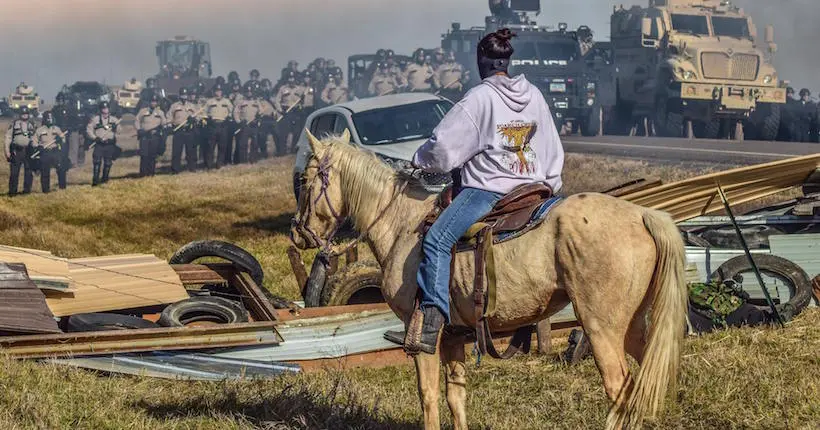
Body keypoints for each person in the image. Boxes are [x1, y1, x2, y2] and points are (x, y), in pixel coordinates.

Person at [398, 28, 565, 354]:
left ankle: (432, 321)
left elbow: (444, 149)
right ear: (507, 62)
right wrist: (550, 184)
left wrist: (420, 160)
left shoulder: (478, 98)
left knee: (436, 239)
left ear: (481, 63)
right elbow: (552, 146)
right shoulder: (534, 94)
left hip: (490, 191)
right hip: (534, 189)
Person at [85, 101, 121, 186]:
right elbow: (88, 130)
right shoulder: (95, 119)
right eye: (103, 108)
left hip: (109, 144)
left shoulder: (114, 120)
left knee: (108, 163)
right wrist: (94, 138)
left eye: (107, 108)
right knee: (97, 162)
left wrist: (116, 127)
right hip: (99, 144)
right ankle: (95, 181)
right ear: (101, 109)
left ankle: (105, 180)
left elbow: (120, 131)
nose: (105, 110)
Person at [32, 111, 67, 192]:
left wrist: (60, 139)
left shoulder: (57, 128)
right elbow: (34, 141)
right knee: (45, 171)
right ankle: (45, 190)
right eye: (48, 118)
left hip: (55, 151)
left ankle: (62, 187)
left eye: (51, 118)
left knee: (61, 169)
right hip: (45, 152)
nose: (49, 120)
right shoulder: (39, 130)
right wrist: (38, 147)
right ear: (44, 119)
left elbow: (63, 139)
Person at [167, 87, 200, 173]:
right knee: (176, 151)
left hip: (189, 130)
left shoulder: (192, 106)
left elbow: (198, 117)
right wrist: (170, 126)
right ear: (179, 95)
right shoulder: (174, 106)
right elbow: (169, 117)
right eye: (182, 95)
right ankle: (175, 169)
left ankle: (192, 168)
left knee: (191, 151)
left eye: (185, 95)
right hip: (178, 131)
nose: (184, 96)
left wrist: (194, 119)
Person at [272, 70, 306, 155]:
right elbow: (277, 101)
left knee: (297, 132)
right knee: (284, 133)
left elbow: (303, 102)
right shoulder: (283, 89)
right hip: (285, 112)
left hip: (295, 112)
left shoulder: (300, 89)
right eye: (290, 78)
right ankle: (282, 152)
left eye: (293, 78)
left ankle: (293, 152)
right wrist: (280, 110)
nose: (291, 80)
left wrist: (300, 108)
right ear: (287, 79)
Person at [4, 107, 36, 196]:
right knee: (14, 173)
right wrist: (7, 152)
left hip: (28, 151)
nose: (24, 115)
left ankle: (26, 191)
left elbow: (36, 137)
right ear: (20, 114)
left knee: (29, 172)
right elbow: (8, 138)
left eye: (26, 114)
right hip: (16, 151)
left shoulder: (32, 124)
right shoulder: (14, 124)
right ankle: (12, 192)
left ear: (28, 114)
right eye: (23, 114)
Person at [203, 83, 234, 169]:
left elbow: (232, 111)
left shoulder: (227, 101)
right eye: (216, 91)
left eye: (220, 91)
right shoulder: (209, 102)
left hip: (223, 126)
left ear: (222, 92)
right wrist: (207, 120)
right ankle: (209, 165)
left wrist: (229, 118)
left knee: (222, 146)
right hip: (212, 126)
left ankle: (219, 164)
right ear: (214, 91)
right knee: (210, 147)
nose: (218, 93)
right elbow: (204, 112)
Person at [135, 94, 167, 177]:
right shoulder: (143, 111)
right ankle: (143, 174)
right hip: (144, 137)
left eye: (155, 102)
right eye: (152, 101)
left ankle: (151, 173)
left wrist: (163, 128)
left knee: (152, 156)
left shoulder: (160, 112)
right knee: (144, 155)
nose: (153, 103)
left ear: (157, 103)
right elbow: (136, 121)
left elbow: (164, 123)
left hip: (155, 137)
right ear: (149, 102)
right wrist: (139, 130)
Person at [233, 83, 263, 163]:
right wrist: (239, 122)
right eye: (247, 91)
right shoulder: (241, 102)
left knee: (255, 143)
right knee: (243, 144)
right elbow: (236, 113)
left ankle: (253, 160)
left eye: (250, 91)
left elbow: (261, 112)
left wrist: (258, 120)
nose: (249, 93)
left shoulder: (257, 102)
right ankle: (243, 161)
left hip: (254, 126)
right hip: (245, 126)